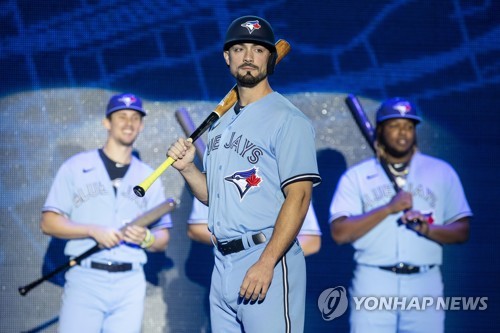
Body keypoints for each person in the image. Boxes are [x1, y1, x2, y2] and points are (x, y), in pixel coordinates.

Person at [167, 15, 321, 333]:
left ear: (271, 57)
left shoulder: (288, 119)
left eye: (258, 49)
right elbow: (215, 196)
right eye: (239, 48)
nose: (248, 57)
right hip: (221, 263)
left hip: (266, 257)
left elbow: (301, 196)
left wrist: (266, 263)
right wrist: (188, 169)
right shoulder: (220, 124)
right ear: (227, 57)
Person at [329, 97, 472, 333]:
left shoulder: (440, 172)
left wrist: (428, 229)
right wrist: (388, 209)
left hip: (424, 282)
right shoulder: (357, 176)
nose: (403, 133)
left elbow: (462, 230)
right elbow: (339, 233)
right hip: (373, 279)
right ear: (380, 130)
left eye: (408, 126)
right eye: (394, 126)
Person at [40, 93, 172, 333]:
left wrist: (147, 238)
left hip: (130, 280)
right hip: (86, 276)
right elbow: (48, 222)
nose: (129, 123)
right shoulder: (76, 166)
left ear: (141, 125)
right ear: (106, 122)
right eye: (121, 116)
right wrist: (91, 230)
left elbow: (162, 238)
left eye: (135, 117)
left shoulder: (148, 175)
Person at [187, 197, 322, 256]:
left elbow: (312, 241)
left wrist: (269, 256)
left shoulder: (287, 175)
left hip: (278, 279)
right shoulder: (218, 167)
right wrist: (242, 245)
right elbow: (197, 229)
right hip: (227, 274)